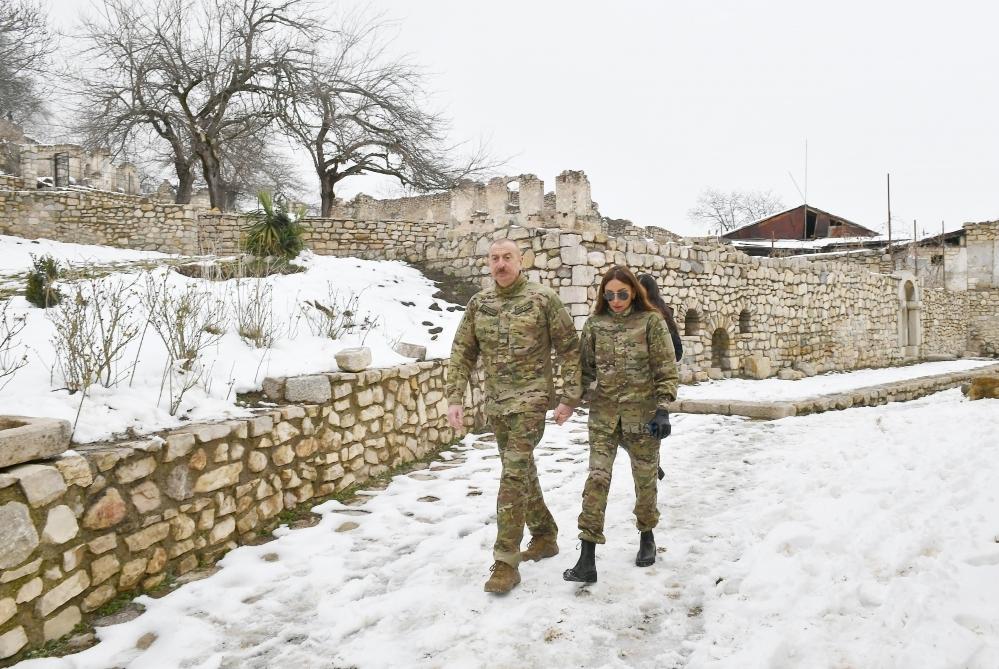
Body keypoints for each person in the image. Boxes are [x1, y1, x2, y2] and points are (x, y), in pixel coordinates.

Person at [446, 237, 582, 594]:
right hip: (498, 405)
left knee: (512, 474)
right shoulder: (479, 304)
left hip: (532, 401)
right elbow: (462, 353)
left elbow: (570, 349)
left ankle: (505, 561)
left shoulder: (542, 299)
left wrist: (569, 397)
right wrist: (454, 397)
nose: (501, 264)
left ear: (521, 261)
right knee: (520, 472)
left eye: (507, 257)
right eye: (494, 258)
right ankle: (545, 535)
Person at [563, 265, 678, 583]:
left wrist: (663, 409)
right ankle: (587, 557)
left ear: (634, 293)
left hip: (643, 418)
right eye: (609, 294)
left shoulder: (651, 322)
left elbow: (666, 368)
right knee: (596, 480)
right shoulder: (594, 325)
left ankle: (647, 535)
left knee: (645, 481)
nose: (615, 300)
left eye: (622, 294)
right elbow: (585, 370)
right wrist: (569, 400)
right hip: (604, 416)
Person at [637, 273, 683, 481]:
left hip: (654, 381)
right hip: (640, 382)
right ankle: (653, 462)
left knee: (650, 427)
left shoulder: (659, 315)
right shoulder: (641, 314)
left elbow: (677, 351)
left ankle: (652, 463)